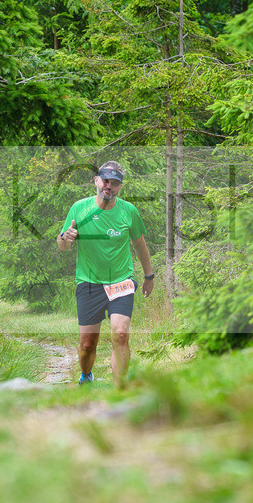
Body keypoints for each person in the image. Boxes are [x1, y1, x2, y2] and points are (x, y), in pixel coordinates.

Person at [57, 161, 154, 387]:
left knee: (120, 334)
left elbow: (139, 244)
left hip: (121, 281)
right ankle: (86, 376)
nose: (108, 186)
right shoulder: (79, 208)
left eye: (115, 183)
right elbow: (62, 245)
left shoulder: (129, 211)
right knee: (87, 344)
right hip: (89, 283)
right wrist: (66, 238)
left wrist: (149, 276)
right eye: (105, 180)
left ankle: (120, 391)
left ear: (120, 186)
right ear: (96, 181)